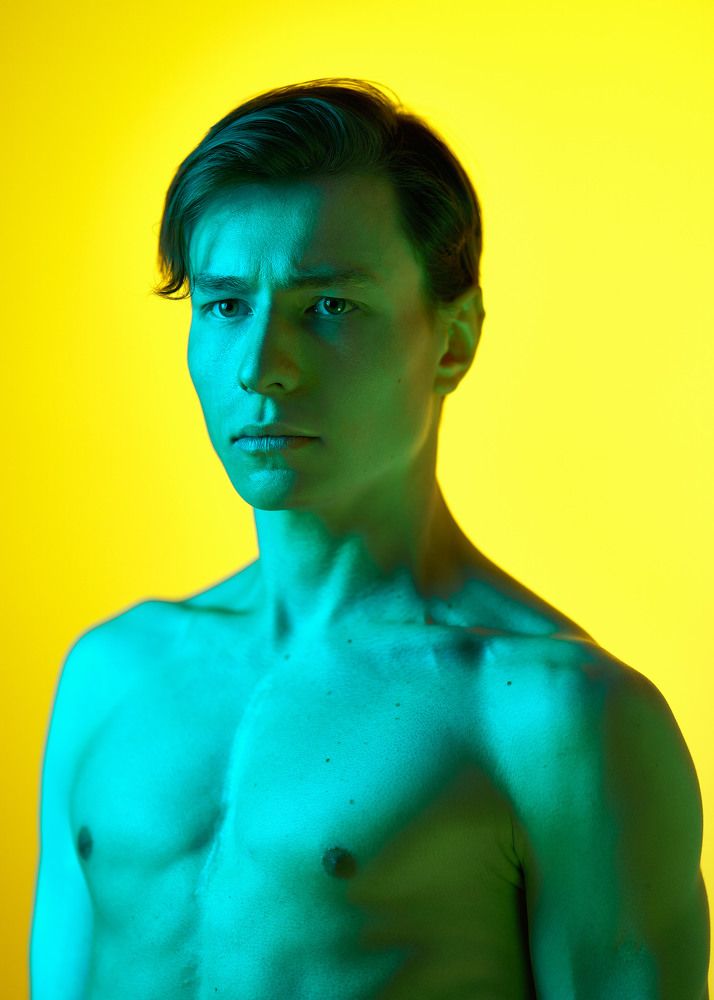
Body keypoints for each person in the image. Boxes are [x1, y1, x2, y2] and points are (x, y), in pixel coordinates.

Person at [30, 77, 710, 999]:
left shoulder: (558, 720)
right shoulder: (111, 674)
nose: (261, 368)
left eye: (329, 307)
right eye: (225, 306)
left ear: (452, 342)